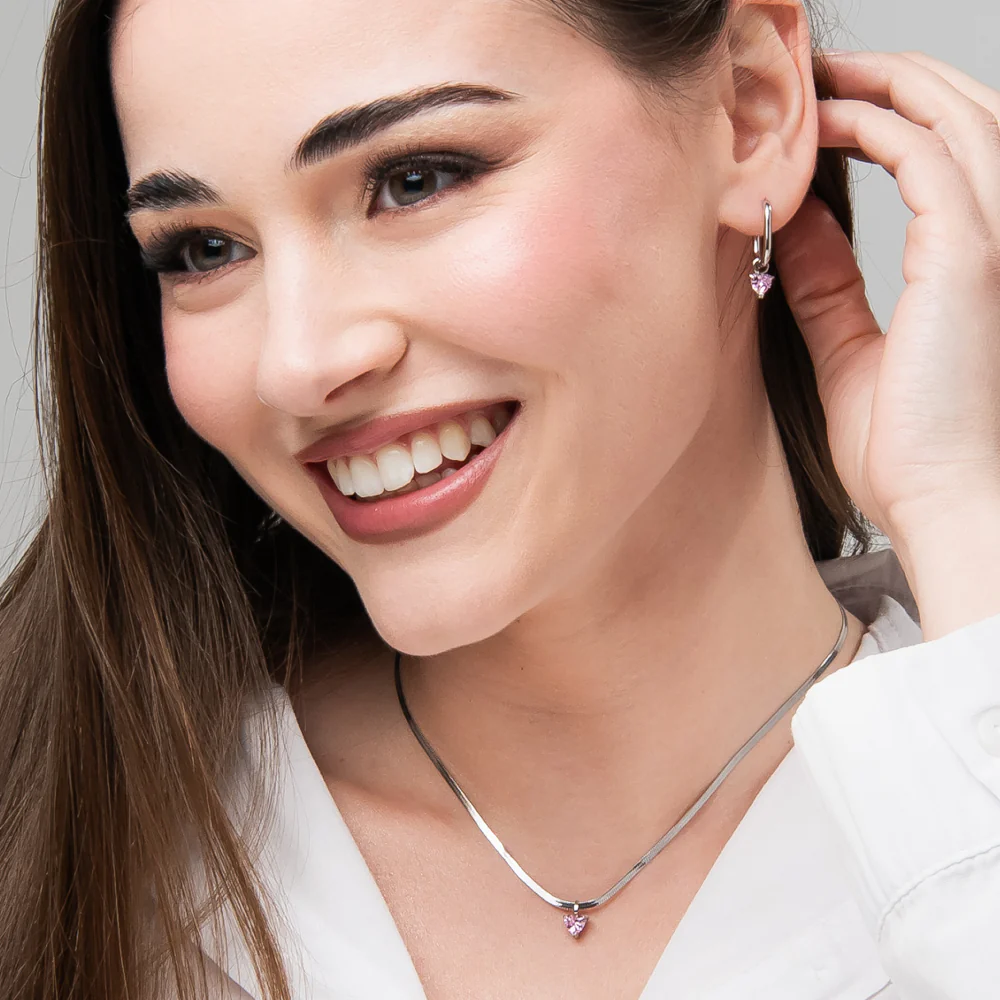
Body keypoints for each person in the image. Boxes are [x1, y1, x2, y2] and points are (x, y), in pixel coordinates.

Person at [3, 0, 1000, 995]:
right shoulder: (67, 842)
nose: (297, 364)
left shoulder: (964, 792)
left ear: (747, 107)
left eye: (415, 179)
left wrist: (958, 513)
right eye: (204, 250)